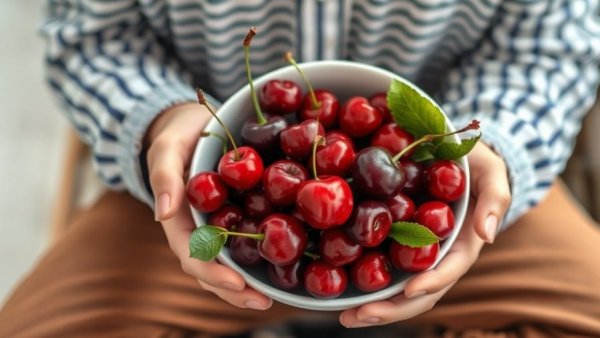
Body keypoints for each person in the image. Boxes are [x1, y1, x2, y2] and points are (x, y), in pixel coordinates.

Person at [1, 0, 600, 336]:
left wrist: (489, 148)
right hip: (192, 199)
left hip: (446, 191)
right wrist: (158, 122)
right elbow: (91, 35)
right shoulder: (214, 189)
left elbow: (551, 44)